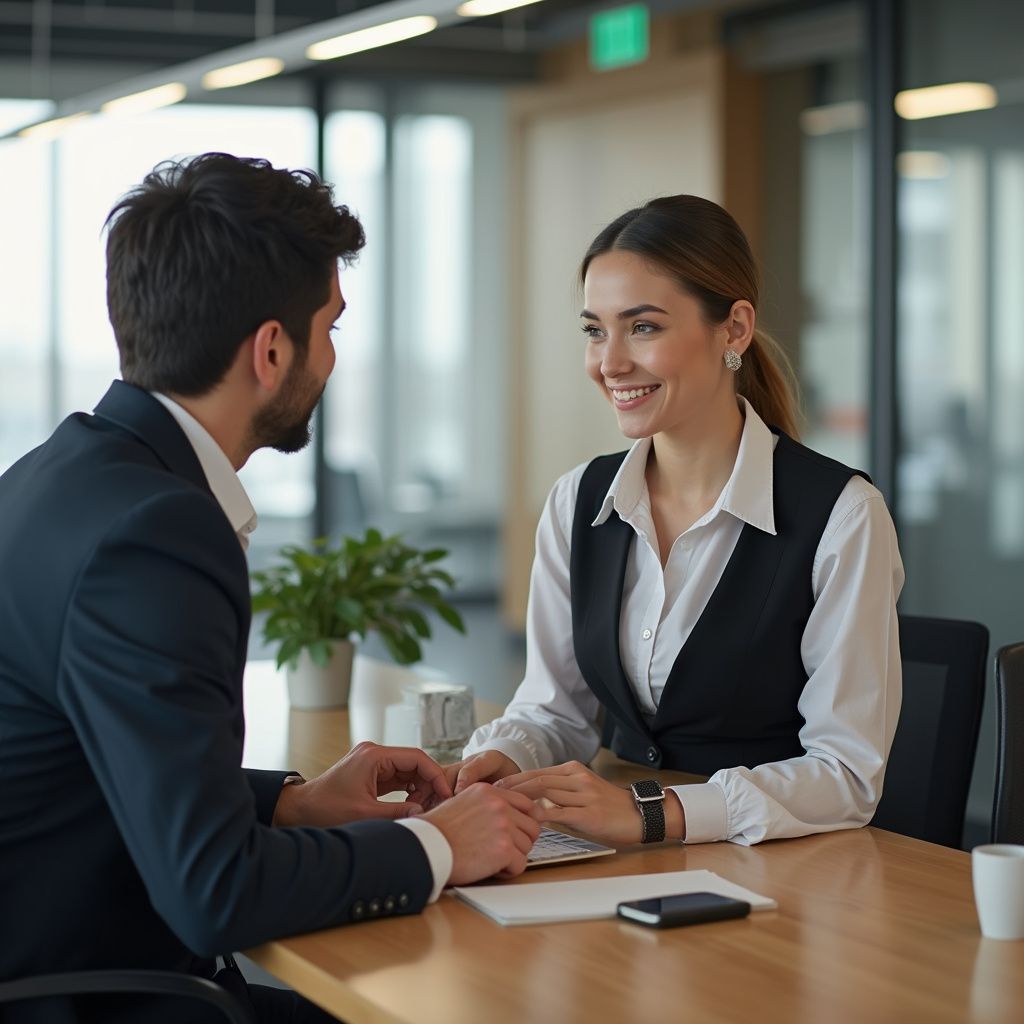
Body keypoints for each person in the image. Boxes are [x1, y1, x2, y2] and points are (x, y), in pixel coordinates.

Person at [0, 153, 540, 1024]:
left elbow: (93, 765)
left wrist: (292, 802)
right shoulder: (157, 534)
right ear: (272, 348)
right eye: (330, 328)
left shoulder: (55, 476)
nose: (331, 358)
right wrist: (435, 844)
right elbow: (215, 892)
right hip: (100, 995)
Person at [448, 194, 904, 849]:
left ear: (734, 330)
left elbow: (844, 774)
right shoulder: (578, 500)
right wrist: (506, 759)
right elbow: (556, 711)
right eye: (594, 330)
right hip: (617, 860)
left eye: (644, 327)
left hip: (784, 877)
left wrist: (651, 813)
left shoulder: (843, 516)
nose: (609, 363)